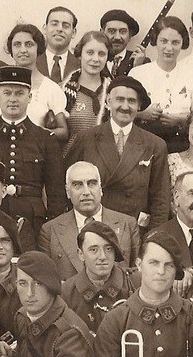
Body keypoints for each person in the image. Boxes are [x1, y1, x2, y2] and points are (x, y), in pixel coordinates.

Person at [0, 67, 67, 241]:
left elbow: (56, 193)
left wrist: (49, 228)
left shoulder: (45, 138)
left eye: (19, 93)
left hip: (33, 221)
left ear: (29, 97)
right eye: (7, 93)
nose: (13, 99)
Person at [66, 76, 171, 231]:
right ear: (108, 102)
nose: (125, 106)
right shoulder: (86, 139)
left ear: (139, 106)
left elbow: (160, 200)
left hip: (134, 230)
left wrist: (152, 239)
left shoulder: (155, 145)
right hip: (93, 229)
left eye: (132, 101)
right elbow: (68, 187)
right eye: (119, 99)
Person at [38, 160, 140, 280]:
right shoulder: (50, 231)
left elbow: (136, 275)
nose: (86, 192)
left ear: (100, 189)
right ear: (67, 191)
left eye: (92, 184)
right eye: (77, 185)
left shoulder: (127, 224)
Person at [131, 16, 193, 153]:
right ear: (155, 41)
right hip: (142, 144)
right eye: (164, 41)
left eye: (175, 42)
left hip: (180, 146)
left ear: (182, 44)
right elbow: (121, 113)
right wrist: (142, 114)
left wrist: (182, 120)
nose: (169, 48)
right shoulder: (138, 73)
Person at [0, 23, 71, 141]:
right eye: (17, 45)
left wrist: (35, 134)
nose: (23, 50)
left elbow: (63, 132)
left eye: (29, 45)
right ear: (11, 49)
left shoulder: (51, 88)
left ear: (38, 48)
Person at [61, 220, 134, 335]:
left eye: (108, 249)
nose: (102, 256)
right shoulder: (67, 292)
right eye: (93, 250)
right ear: (81, 254)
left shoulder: (133, 283)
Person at [61, 30, 114, 140]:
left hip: (104, 155)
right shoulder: (62, 90)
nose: (95, 59)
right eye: (90, 52)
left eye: (101, 54)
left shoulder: (113, 91)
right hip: (71, 155)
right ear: (80, 54)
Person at [38, 6, 80, 85]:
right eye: (54, 24)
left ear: (73, 33)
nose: (59, 29)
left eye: (65, 26)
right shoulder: (33, 62)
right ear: (45, 29)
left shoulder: (80, 66)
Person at [101, 9, 147, 79]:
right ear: (102, 33)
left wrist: (137, 69)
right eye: (111, 31)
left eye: (123, 31)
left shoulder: (142, 62)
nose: (117, 37)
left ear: (130, 35)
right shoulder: (92, 59)